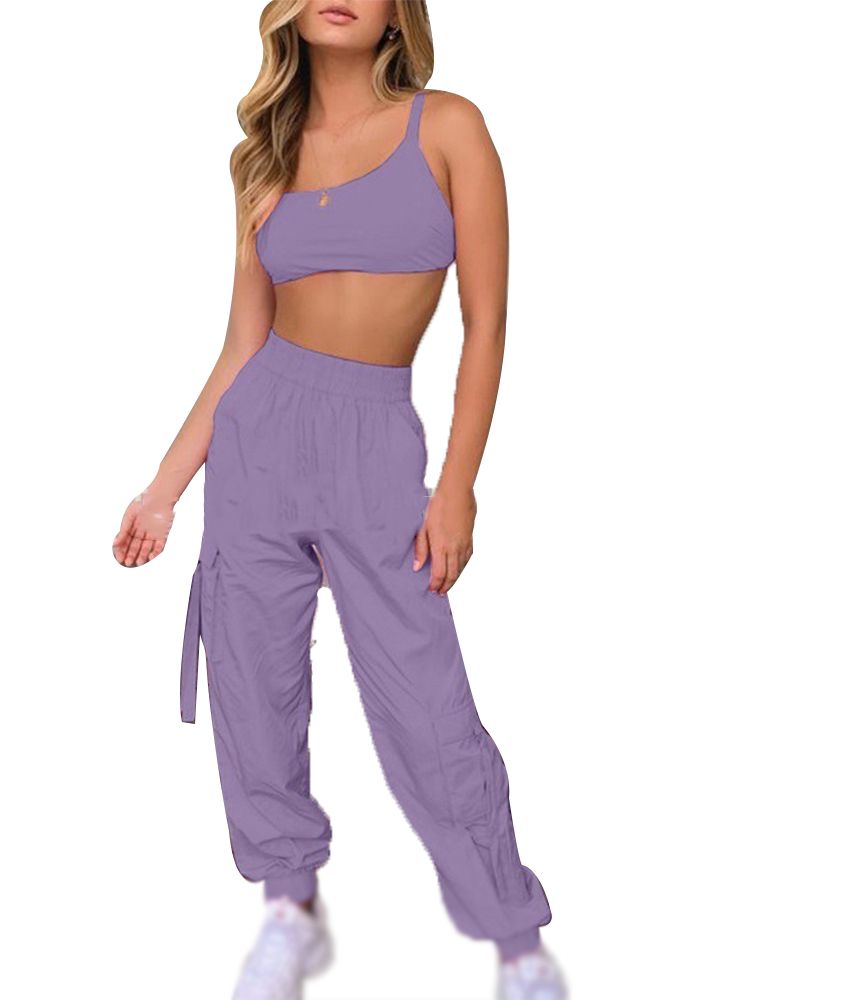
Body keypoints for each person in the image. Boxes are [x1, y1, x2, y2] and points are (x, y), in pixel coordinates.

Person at [112, 3, 567, 998]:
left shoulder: (448, 127)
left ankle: (515, 940)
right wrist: (165, 486)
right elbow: (242, 345)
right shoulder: (261, 160)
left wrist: (458, 485)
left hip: (375, 446)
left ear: (401, 12)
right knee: (252, 686)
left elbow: (486, 322)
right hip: (260, 442)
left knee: (428, 710)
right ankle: (289, 905)